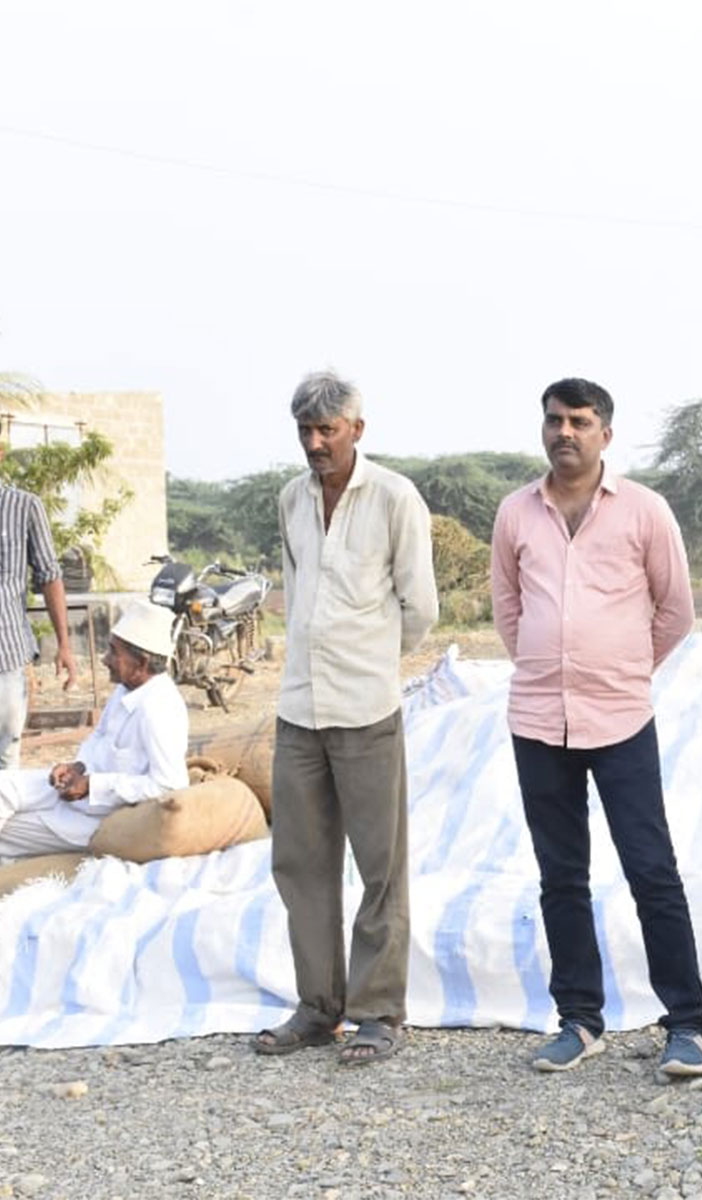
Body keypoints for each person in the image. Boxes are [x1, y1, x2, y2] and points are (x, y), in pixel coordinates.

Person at [491, 377, 702, 1080]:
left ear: (605, 435)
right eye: (555, 420)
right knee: (561, 878)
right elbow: (508, 609)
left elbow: (674, 609)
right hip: (537, 721)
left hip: (620, 719)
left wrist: (616, 668)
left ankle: (687, 1026)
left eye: (580, 422)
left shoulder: (643, 511)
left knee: (652, 872)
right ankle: (579, 1020)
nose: (565, 433)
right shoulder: (515, 514)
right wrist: (549, 664)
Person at [254, 371, 438, 1067]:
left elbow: (419, 609)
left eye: (327, 430)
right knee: (300, 863)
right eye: (305, 430)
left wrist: (371, 661)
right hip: (299, 706)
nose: (314, 443)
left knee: (380, 867)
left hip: (366, 707)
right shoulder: (290, 500)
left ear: (357, 430)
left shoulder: (395, 497)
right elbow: (298, 589)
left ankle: (379, 1011)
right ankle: (319, 1006)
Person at [0, 599, 185, 857]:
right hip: (78, 791)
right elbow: (99, 736)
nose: (105, 659)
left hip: (97, 817)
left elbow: (170, 786)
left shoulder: (159, 708)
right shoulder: (127, 688)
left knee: (6, 833)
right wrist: (77, 767)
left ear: (141, 663)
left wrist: (93, 786)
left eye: (113, 652)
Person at [0, 454, 80, 768]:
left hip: (6, 655)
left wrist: (64, 646)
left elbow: (49, 575)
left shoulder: (23, 507)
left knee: (5, 754)